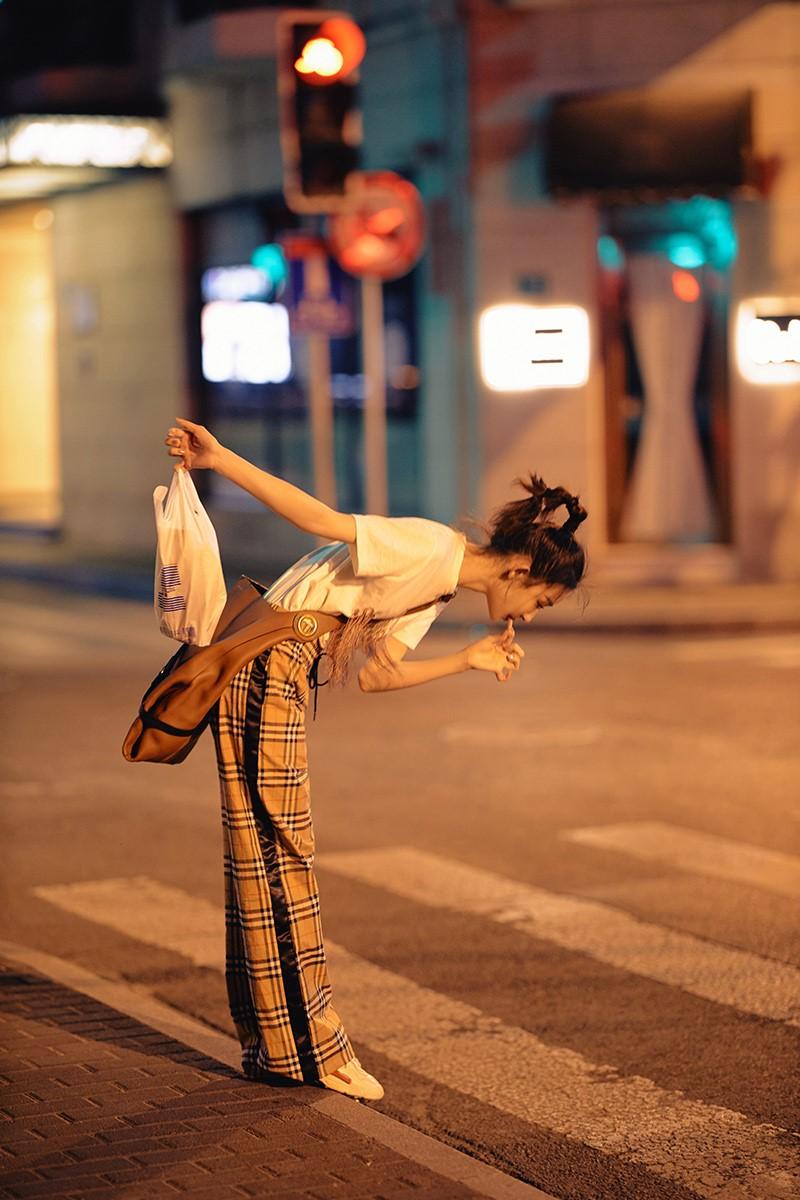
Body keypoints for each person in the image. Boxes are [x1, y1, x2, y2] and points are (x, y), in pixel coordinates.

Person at [164, 416, 588, 1102]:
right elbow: (322, 519)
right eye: (539, 600)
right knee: (283, 855)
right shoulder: (427, 546)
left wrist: (469, 660)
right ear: (519, 569)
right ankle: (318, 1049)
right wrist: (222, 460)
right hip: (267, 664)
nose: (530, 615)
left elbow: (377, 675)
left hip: (280, 670)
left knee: (264, 856)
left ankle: (276, 1048)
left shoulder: (441, 584)